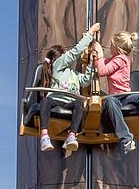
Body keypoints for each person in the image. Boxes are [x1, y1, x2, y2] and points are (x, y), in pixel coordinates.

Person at [29, 22, 99, 156]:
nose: (67, 58)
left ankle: (71, 136)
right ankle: (44, 135)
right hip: (56, 100)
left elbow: (84, 81)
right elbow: (74, 53)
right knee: (46, 101)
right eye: (64, 56)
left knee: (79, 103)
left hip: (69, 103)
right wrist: (90, 33)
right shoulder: (57, 67)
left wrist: (91, 63)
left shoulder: (73, 74)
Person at [91, 30, 139, 153]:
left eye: (111, 45)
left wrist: (99, 54)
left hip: (123, 96)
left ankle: (138, 138)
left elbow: (102, 71)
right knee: (112, 101)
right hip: (121, 98)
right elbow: (103, 63)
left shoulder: (120, 59)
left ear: (117, 48)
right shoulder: (124, 58)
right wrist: (97, 51)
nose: (109, 47)